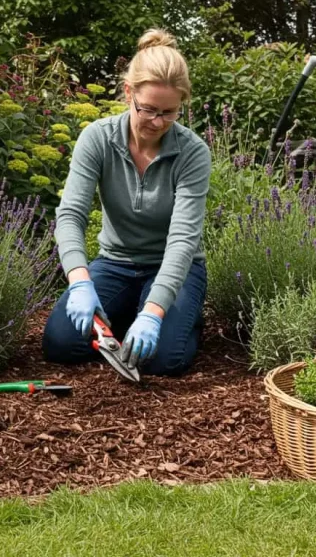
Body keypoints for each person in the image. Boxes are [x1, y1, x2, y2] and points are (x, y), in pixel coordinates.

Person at [41, 28, 211, 377]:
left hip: (173, 268)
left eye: (170, 112)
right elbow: (70, 215)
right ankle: (131, 310)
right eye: (148, 109)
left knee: (164, 360)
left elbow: (182, 241)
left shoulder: (192, 153)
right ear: (128, 92)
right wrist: (80, 281)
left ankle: (178, 315)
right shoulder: (98, 139)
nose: (158, 122)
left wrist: (153, 313)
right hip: (115, 264)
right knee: (60, 343)